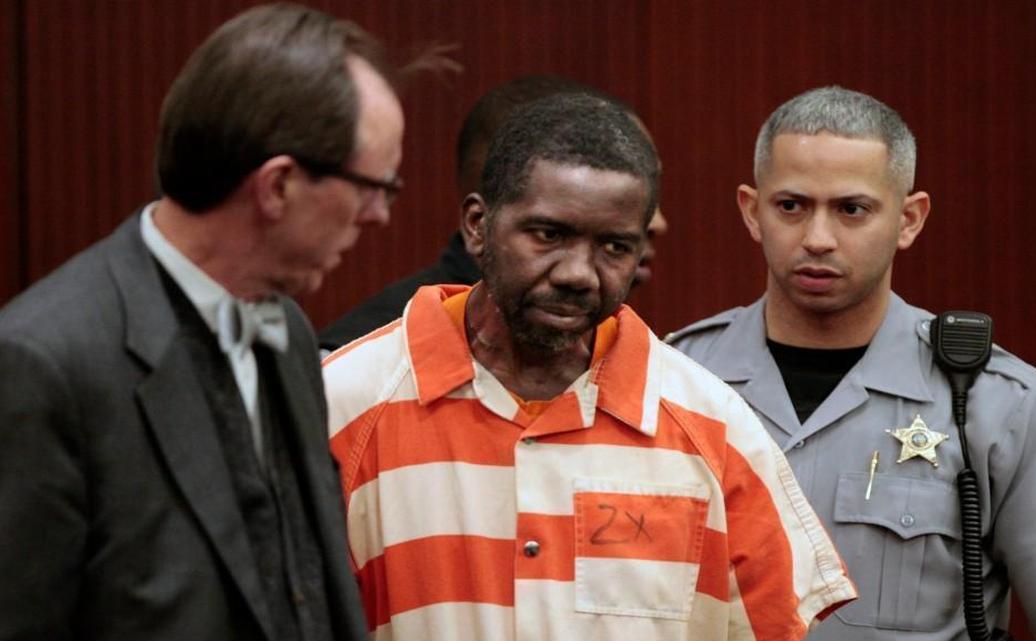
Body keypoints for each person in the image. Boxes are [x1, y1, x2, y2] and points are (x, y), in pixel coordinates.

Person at [322, 92, 855, 641]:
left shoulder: (714, 428)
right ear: (478, 226)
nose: (579, 272)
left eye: (614, 247)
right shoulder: (345, 404)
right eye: (549, 235)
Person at [667, 86, 1036, 641]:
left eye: (852, 210)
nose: (818, 239)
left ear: (909, 220)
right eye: (791, 206)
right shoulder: (675, 382)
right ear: (752, 212)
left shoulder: (996, 402)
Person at [0, 4, 405, 639]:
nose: (379, 214)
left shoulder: (291, 332)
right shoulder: (43, 361)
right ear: (277, 187)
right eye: (372, 186)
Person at [318, 74, 668, 352]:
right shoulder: (352, 376)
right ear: (478, 221)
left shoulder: (690, 399)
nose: (657, 223)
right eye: (550, 233)